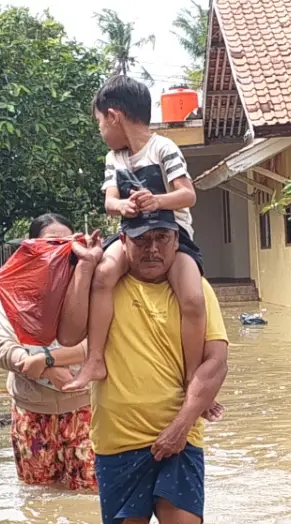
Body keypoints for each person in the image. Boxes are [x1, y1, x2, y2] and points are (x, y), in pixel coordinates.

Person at [57, 219, 229, 524]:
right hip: (117, 440)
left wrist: (181, 427)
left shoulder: (197, 291)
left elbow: (217, 362)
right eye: (141, 239)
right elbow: (67, 336)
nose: (152, 249)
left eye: (162, 238)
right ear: (122, 240)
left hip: (180, 435)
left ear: (176, 241)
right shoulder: (102, 287)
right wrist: (85, 266)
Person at [65, 76, 206, 394]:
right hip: (131, 236)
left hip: (174, 237)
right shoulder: (114, 159)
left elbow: (187, 196)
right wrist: (124, 206)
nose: (101, 131)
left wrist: (158, 201)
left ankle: (192, 373)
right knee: (103, 275)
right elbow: (109, 202)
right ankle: (96, 359)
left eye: (100, 123)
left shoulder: (163, 148)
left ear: (113, 116)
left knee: (194, 301)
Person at [0, 214, 104, 491]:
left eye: (64, 244)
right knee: (38, 498)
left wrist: (48, 358)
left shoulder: (93, 288)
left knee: (91, 494)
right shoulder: (13, 293)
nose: (56, 252)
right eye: (49, 244)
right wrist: (40, 366)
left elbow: (104, 343)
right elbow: (2, 346)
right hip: (31, 412)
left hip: (85, 409)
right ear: (32, 250)